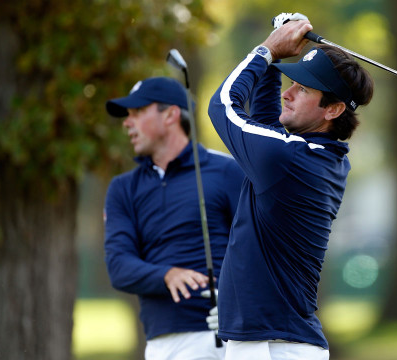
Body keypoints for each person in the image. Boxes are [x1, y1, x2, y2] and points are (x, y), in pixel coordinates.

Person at [207, 17, 374, 359]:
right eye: (290, 82)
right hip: (285, 341)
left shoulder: (287, 158)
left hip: (266, 344)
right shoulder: (322, 156)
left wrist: (267, 49)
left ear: (334, 109)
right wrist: (275, 61)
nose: (288, 92)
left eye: (304, 90)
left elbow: (222, 106)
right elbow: (269, 123)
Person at [103, 76, 245, 360]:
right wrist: (166, 275)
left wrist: (243, 308)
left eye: (138, 113)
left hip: (221, 338)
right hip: (159, 343)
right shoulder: (123, 188)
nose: (127, 123)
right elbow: (119, 266)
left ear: (170, 115)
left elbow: (258, 250)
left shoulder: (227, 171)